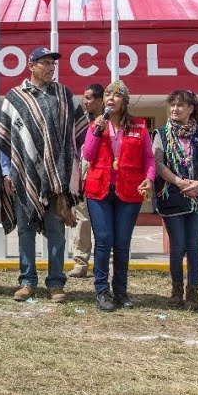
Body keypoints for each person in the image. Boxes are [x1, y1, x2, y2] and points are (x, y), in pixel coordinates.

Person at [0, 47, 87, 305]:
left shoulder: (64, 95)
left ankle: (56, 283)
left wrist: (74, 171)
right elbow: (5, 139)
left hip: (57, 177)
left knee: (56, 230)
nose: (50, 68)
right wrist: (7, 171)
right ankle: (27, 281)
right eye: (45, 63)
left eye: (52, 64)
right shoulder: (15, 97)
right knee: (25, 230)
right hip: (24, 175)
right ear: (31, 65)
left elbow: (79, 134)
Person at [80, 80, 154, 311]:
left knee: (122, 242)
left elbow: (149, 158)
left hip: (128, 190)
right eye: (108, 95)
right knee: (103, 240)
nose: (111, 98)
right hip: (99, 189)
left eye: (117, 95)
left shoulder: (139, 126)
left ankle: (121, 291)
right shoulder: (95, 125)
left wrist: (149, 178)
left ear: (125, 101)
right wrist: (96, 129)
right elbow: (88, 155)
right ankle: (102, 291)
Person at [153, 90, 198, 310]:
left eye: (180, 105)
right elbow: (158, 164)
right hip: (172, 197)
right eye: (172, 105)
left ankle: (193, 293)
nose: (175, 109)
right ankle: (177, 290)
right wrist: (179, 182)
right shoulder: (161, 133)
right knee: (177, 246)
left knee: (194, 246)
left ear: (190, 109)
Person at [69, 83, 105, 278]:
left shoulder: (111, 122)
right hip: (83, 179)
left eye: (89, 98)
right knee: (82, 221)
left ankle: (102, 264)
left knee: (104, 224)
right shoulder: (81, 123)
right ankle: (80, 263)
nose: (85, 101)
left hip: (105, 180)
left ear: (100, 101)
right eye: (84, 97)